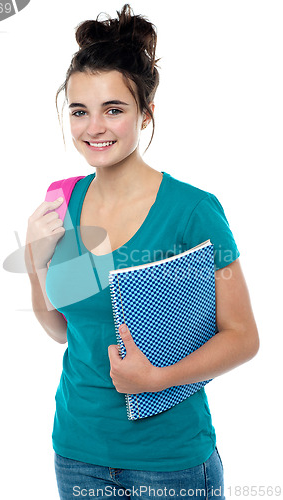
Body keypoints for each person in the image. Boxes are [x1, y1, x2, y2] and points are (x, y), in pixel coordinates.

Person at [25, 4, 259, 499]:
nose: (94, 128)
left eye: (114, 109)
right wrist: (34, 259)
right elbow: (61, 331)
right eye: (79, 110)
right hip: (78, 453)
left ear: (146, 114)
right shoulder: (60, 200)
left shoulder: (194, 211)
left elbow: (242, 337)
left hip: (169, 461)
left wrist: (159, 377)